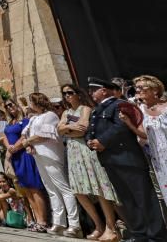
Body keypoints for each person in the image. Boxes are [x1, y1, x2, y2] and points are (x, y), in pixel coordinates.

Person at [85, 76, 166, 242]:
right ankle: (139, 233)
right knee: (127, 200)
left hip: (127, 158)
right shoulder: (96, 110)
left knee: (144, 198)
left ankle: (156, 235)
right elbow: (90, 129)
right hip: (110, 160)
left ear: (104, 90)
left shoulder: (120, 105)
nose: (91, 93)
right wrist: (90, 141)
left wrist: (103, 141)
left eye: (94, 90)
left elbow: (122, 126)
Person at [57, 83, 120, 242]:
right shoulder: (66, 112)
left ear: (78, 93)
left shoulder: (85, 108)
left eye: (70, 92)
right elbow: (58, 130)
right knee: (78, 191)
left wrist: (66, 129)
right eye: (64, 94)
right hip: (72, 152)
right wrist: (70, 129)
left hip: (85, 151)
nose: (67, 96)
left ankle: (110, 226)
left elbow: (83, 128)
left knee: (98, 188)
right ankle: (98, 225)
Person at [22, 91, 81, 237]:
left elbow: (44, 135)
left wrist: (28, 142)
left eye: (32, 102)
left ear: (37, 103)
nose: (30, 105)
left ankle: (74, 224)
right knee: (51, 189)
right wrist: (28, 143)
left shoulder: (50, 115)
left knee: (63, 188)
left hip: (50, 154)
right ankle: (59, 222)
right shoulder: (34, 118)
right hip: (38, 155)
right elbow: (26, 132)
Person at [0, 99, 48, 232]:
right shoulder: (9, 123)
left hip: (24, 155)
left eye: (11, 104)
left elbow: (24, 135)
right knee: (26, 190)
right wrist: (9, 148)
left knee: (34, 188)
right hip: (15, 157)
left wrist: (15, 147)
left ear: (17, 105)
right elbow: (4, 137)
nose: (9, 107)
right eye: (7, 106)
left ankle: (42, 221)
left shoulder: (25, 120)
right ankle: (36, 220)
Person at [127, 75, 167, 208]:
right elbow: (144, 135)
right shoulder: (140, 112)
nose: (137, 91)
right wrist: (129, 123)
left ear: (155, 90)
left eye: (141, 87)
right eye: (136, 88)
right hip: (159, 161)